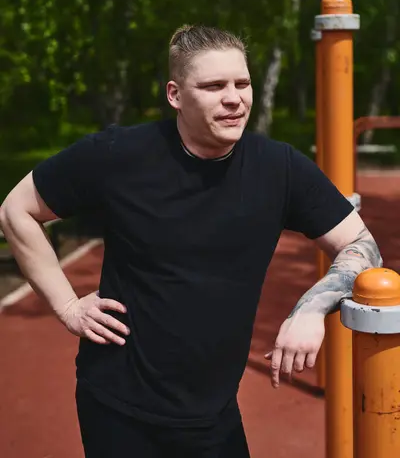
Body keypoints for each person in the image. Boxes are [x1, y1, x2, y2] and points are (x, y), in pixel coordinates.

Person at [0, 25, 382, 458]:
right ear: (175, 95)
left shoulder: (280, 169)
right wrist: (67, 305)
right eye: (214, 86)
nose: (234, 98)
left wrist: (312, 308)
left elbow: (362, 244)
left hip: (213, 416)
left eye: (242, 83)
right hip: (117, 408)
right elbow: (17, 210)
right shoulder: (119, 155)